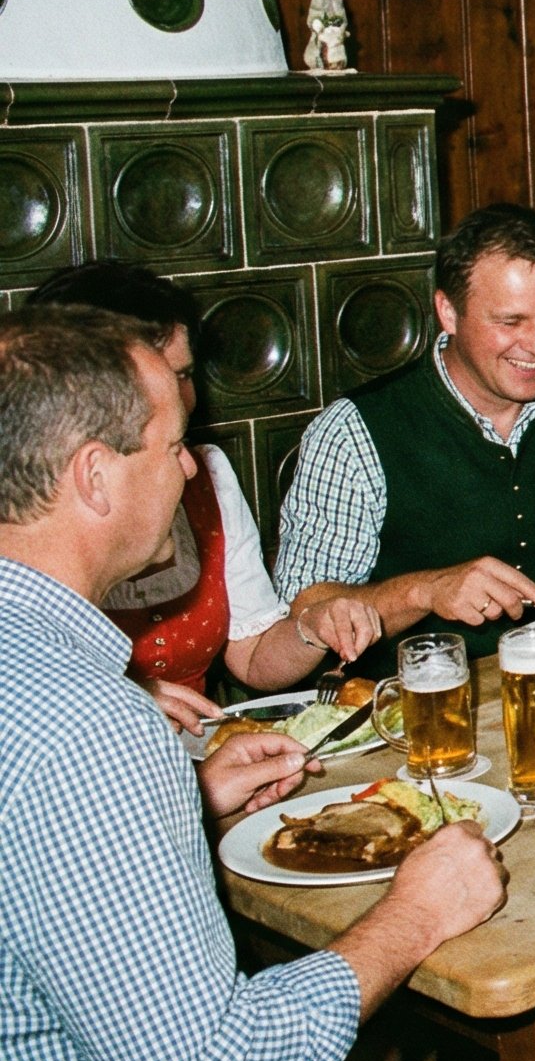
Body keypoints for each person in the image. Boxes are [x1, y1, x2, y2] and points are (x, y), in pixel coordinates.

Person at [0, 305, 506, 1061]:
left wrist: (185, 801)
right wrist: (418, 912)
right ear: (95, 477)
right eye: (172, 450)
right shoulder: (91, 728)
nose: (192, 477)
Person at [278, 204, 535, 672]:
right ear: (448, 311)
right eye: (510, 322)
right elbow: (309, 608)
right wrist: (427, 590)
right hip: (421, 710)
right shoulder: (352, 432)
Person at [29, 262, 379, 721]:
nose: (181, 400)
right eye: (161, 378)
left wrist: (310, 628)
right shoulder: (26, 508)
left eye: (184, 374)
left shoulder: (203, 471)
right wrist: (120, 703)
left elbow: (251, 656)